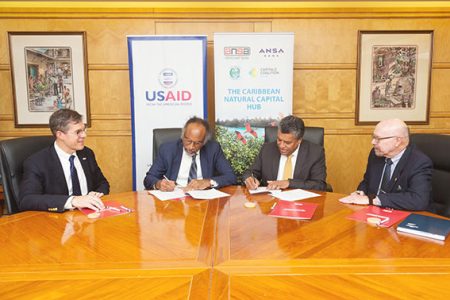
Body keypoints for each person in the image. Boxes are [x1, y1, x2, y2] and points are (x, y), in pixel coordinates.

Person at [19, 109, 110, 213]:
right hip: (57, 221)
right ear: (60, 135)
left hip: (89, 216)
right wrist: (72, 201)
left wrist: (97, 193)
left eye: (84, 130)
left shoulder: (87, 153)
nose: (84, 135)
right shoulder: (37, 162)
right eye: (78, 132)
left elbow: (102, 183)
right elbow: (26, 200)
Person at [339, 118, 432, 211]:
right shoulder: (376, 154)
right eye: (373, 137)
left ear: (397, 141)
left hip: (404, 215)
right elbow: (367, 181)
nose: (373, 142)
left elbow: (418, 200)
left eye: (378, 139)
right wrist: (360, 193)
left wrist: (373, 200)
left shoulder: (419, 162)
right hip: (375, 213)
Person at [144, 116, 237, 191]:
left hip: (203, 200)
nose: (191, 147)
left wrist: (209, 182)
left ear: (204, 141)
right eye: (188, 141)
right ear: (182, 136)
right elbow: (149, 178)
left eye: (197, 143)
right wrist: (159, 184)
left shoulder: (213, 149)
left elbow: (231, 176)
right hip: (174, 200)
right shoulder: (168, 150)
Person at [243, 115, 327, 191]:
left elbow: (319, 185)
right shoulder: (267, 149)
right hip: (270, 201)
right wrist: (249, 178)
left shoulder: (315, 153)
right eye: (279, 140)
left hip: (299, 202)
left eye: (287, 142)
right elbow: (251, 172)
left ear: (299, 141)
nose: (281, 145)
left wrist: (289, 183)